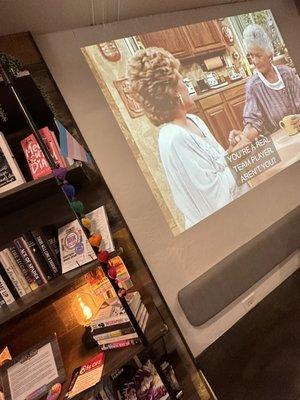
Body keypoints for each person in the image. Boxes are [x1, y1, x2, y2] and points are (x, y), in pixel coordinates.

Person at [128, 47, 249, 229]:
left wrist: (232, 150)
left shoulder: (194, 120)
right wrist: (238, 158)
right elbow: (215, 199)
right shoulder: (174, 138)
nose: (187, 85)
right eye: (182, 80)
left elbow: (215, 169)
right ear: (173, 91)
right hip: (223, 228)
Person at [230, 24, 300, 144]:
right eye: (251, 56)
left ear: (270, 55)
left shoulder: (287, 73)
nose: (255, 61)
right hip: (280, 142)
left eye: (258, 55)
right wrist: (243, 137)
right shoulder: (252, 86)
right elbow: (253, 122)